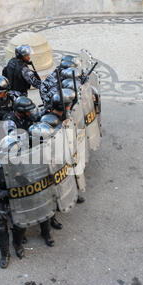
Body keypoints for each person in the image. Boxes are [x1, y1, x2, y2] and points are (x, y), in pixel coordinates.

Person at [40, 89, 86, 230]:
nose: (70, 107)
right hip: (53, 159)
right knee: (54, 189)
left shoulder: (64, 115)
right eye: (68, 105)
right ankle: (52, 217)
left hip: (65, 153)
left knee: (68, 178)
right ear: (63, 107)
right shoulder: (47, 120)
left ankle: (73, 195)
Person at [0, 136, 27, 268]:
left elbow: (28, 182)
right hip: (0, 201)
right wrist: (4, 194)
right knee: (1, 229)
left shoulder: (21, 164)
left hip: (17, 200)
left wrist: (22, 180)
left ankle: (17, 245)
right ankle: (5, 254)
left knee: (20, 225)